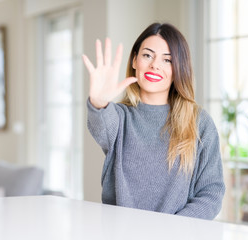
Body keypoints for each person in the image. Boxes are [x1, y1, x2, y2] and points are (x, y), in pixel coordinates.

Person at [82, 22, 225, 220]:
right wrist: (98, 102)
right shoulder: (119, 116)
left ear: (178, 69)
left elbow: (211, 193)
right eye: (147, 55)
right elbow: (101, 124)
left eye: (167, 60)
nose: (155, 65)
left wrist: (170, 230)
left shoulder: (199, 122)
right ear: (134, 60)